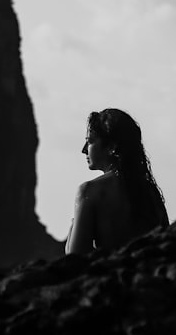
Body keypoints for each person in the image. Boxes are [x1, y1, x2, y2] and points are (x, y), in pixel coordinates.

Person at [65, 108, 169, 254]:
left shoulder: (89, 191)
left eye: (90, 142)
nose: (84, 150)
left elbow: (74, 257)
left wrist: (73, 224)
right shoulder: (150, 191)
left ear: (112, 147)